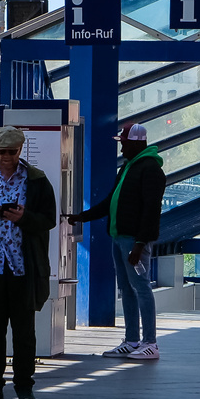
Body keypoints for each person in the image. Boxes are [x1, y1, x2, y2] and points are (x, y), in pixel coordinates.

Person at [64, 123, 164, 361]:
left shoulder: (150, 170)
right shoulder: (128, 167)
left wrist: (140, 244)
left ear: (137, 143)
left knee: (141, 287)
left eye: (124, 142)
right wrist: (83, 217)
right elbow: (111, 201)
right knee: (127, 289)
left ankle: (150, 342)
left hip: (133, 241)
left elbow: (151, 210)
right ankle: (132, 340)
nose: (122, 148)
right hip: (119, 237)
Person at [0, 127, 57, 399]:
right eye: (2, 152)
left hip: (24, 267)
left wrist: (24, 218)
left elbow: (49, 219)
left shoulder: (36, 180)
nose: (7, 158)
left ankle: (24, 387)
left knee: (24, 332)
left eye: (13, 152)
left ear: (21, 150)